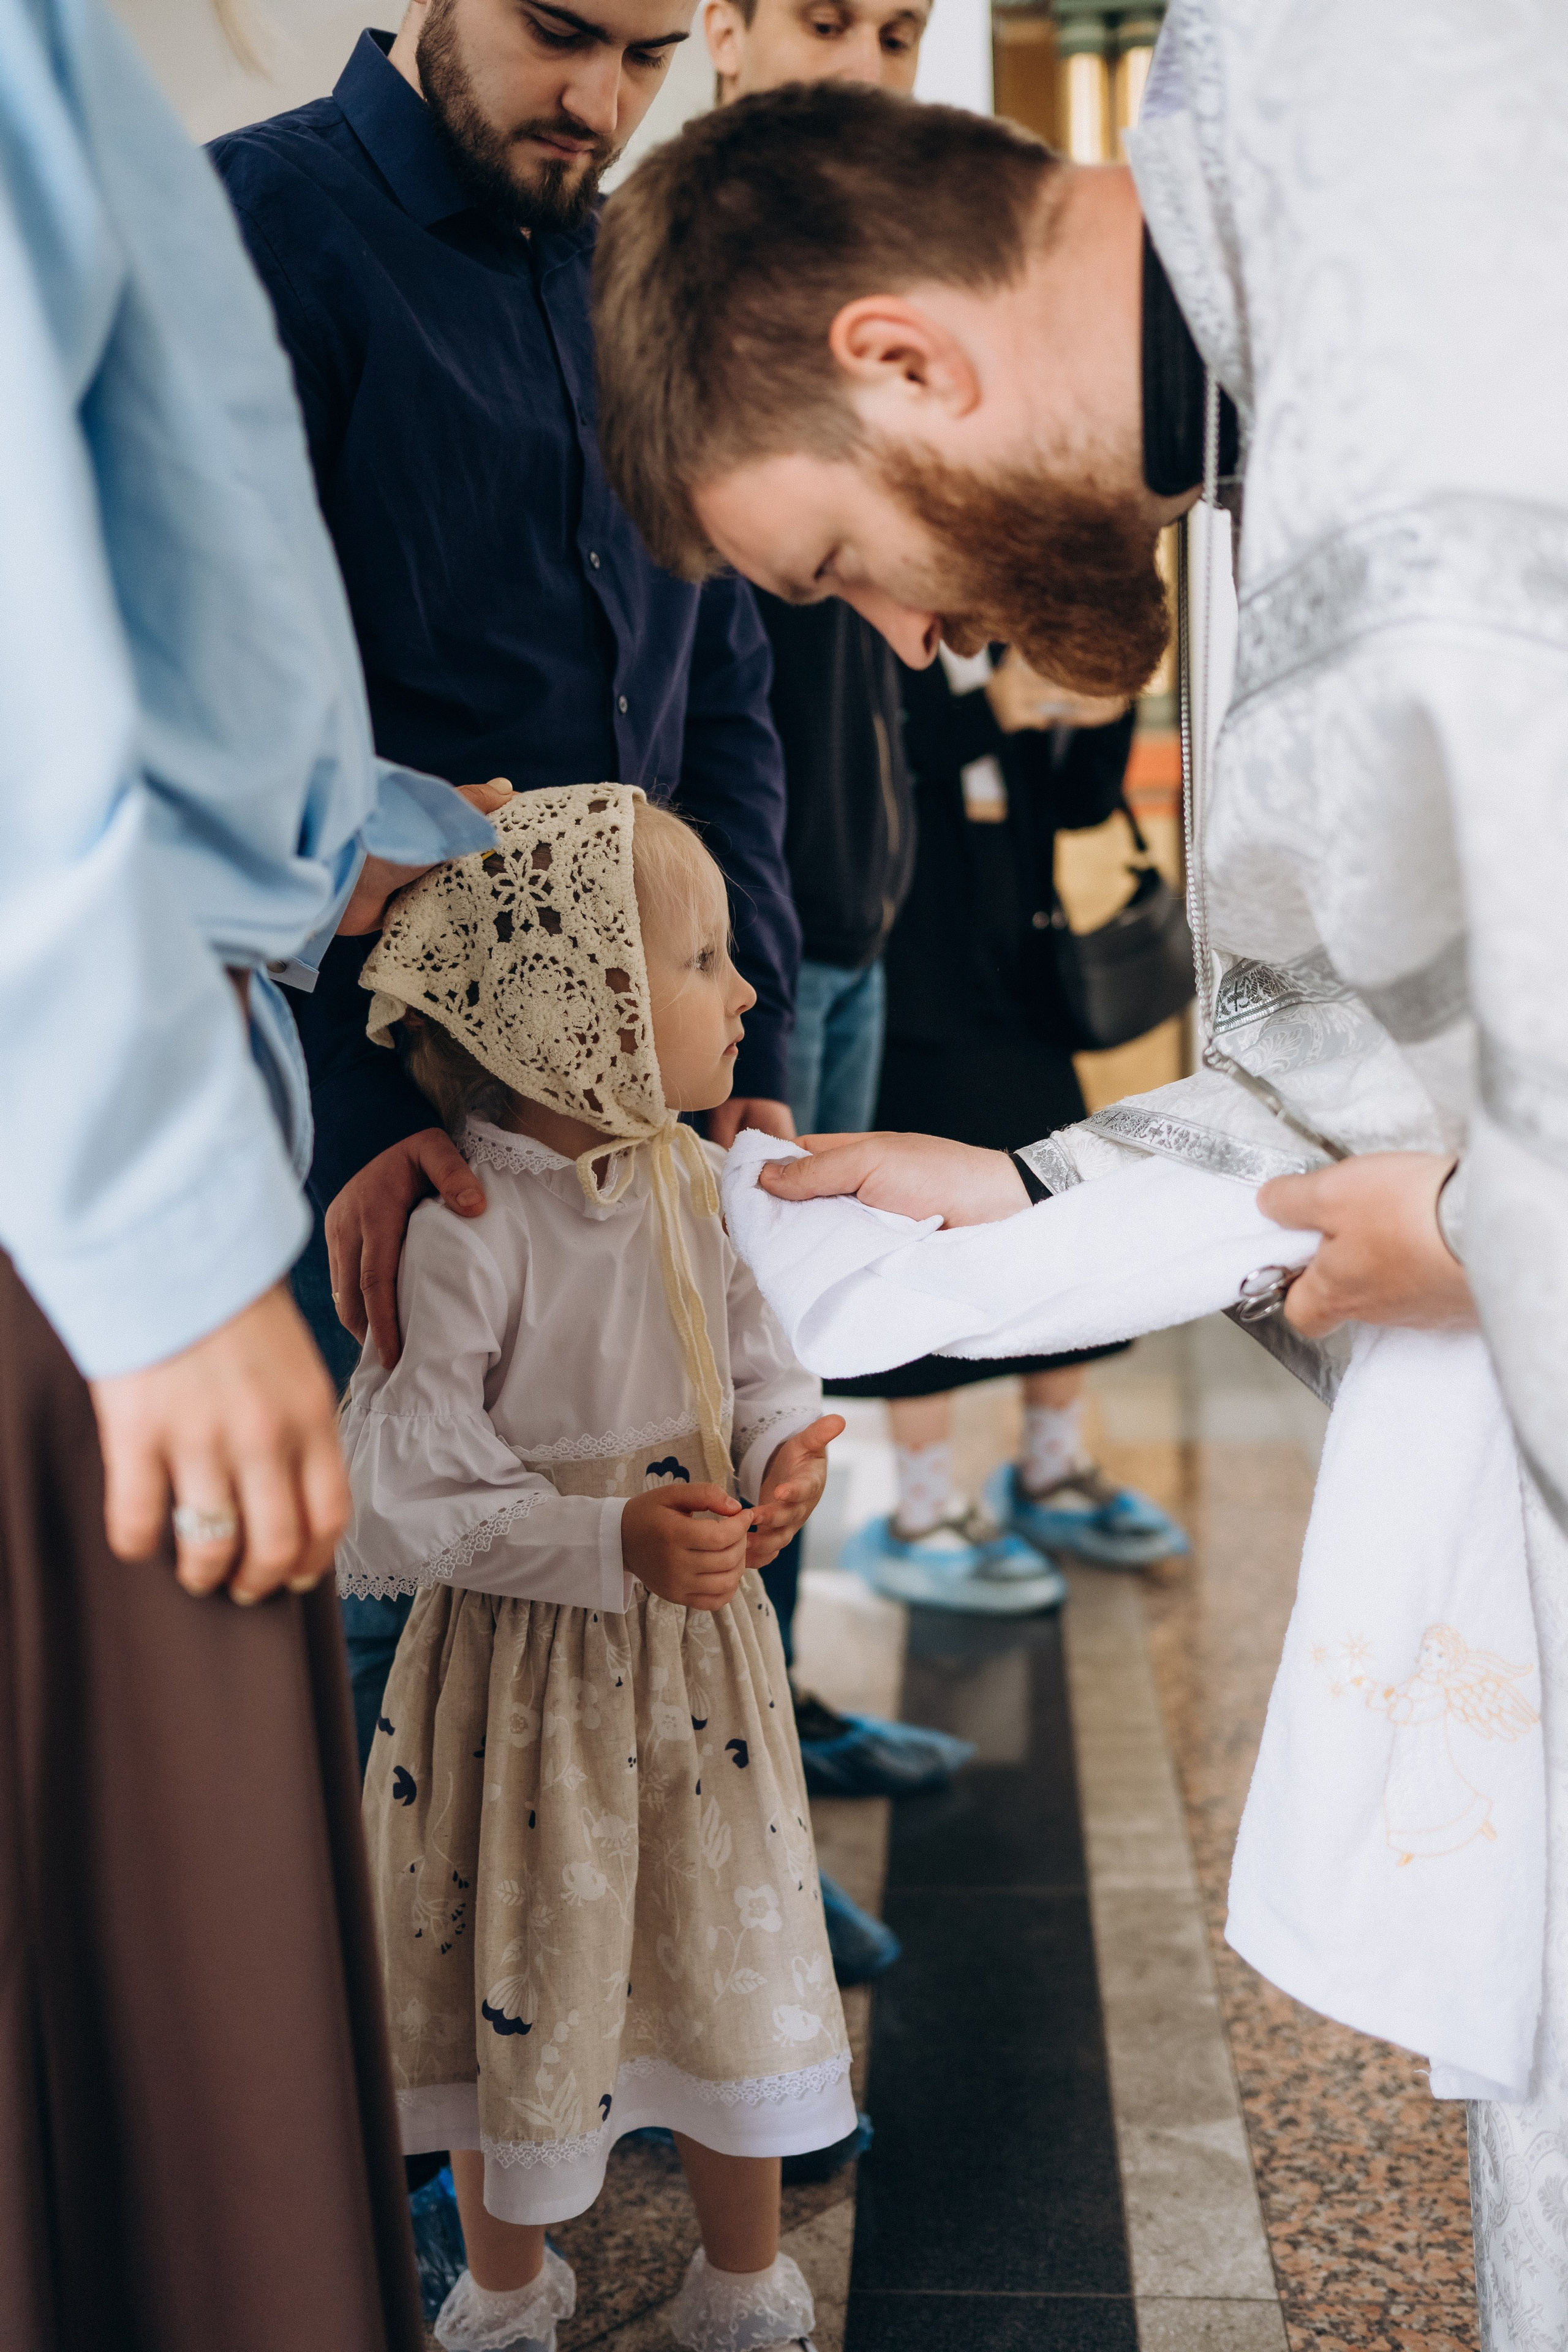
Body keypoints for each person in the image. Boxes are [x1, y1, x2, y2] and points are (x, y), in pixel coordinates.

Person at [588, 24, 1568, 2340]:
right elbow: (1384, 1042)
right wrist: (1027, 1187)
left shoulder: (1439, 274)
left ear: (903, 356)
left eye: (845, 564)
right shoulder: (1261, 350)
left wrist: (1494, 1240)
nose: (912, 640)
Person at [0, 0, 491, 2340]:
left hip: (154, 1080)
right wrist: (161, 1244)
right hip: (85, 1185)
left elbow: (172, 567)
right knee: (156, 2013)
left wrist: (366, 845)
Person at [208, 0, 798, 1781]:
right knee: (397, 1630)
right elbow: (190, 715)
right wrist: (363, 1128)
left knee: (675, 1538)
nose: (603, 103)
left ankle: (669, 1973)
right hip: (390, 1134)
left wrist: (741, 1028)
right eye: (563, 36)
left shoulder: (646, 268)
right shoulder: (246, 236)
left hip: (648, 1122)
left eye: (649, 55)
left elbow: (725, 691)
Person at [337, 786, 850, 2352]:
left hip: (697, 1681)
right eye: (703, 961)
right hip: (523, 1691)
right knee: (520, 1967)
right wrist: (605, 1536)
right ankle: (508, 2288)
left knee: (717, 1951)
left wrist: (781, 1455)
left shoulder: (692, 1187)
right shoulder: (471, 1231)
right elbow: (403, 1497)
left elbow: (760, 1368)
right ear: (583, 1019)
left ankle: (740, 2280)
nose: (749, 990)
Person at [698, 0, 971, 1857]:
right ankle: (726, 1853)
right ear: (715, 21)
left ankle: (771, 1771)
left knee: (802, 1386)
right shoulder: (671, 278)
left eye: (898, 26)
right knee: (713, 1393)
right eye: (822, 16)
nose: (861, 61)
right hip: (737, 934)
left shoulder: (885, 268)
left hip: (851, 894)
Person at [836, 645, 1188, 1608]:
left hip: (1021, 995)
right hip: (914, 1004)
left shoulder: (1011, 650)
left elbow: (1077, 801)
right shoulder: (889, 655)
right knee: (920, 1256)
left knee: (1059, 1231)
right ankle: (922, 1510)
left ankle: (1051, 1470)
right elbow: (879, 774)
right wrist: (998, 706)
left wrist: (1101, 705)